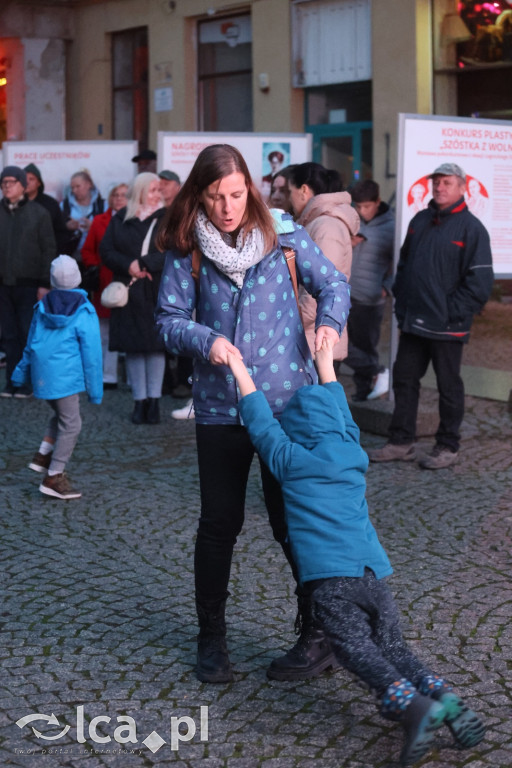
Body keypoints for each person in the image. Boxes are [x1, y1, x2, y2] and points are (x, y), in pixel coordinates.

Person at [226, 336, 486, 767]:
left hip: (332, 581)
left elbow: (259, 422)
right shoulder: (351, 449)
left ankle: (410, 707)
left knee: (355, 650)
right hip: (373, 574)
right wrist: (325, 361)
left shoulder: (291, 460)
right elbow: (341, 414)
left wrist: (238, 368)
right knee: (394, 646)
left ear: (296, 432)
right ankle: (445, 698)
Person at [155, 143, 351, 684]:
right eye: (216, 196)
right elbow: (168, 318)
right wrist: (205, 338)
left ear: (252, 190)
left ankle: (318, 633)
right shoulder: (185, 247)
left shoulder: (285, 235)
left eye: (237, 194)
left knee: (294, 524)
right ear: (200, 194)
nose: (227, 207)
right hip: (221, 407)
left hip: (286, 406)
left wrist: (329, 323)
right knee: (219, 525)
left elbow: (333, 282)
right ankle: (211, 640)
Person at [368, 163, 494, 470]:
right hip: (414, 321)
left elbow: (479, 284)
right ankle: (401, 442)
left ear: (462, 187)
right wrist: (401, 302)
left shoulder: (472, 229)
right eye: (436, 182)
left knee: (449, 386)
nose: (439, 188)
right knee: (405, 380)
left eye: (447, 182)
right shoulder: (420, 220)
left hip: (447, 326)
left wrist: (451, 313)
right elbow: (405, 264)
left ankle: (448, 446)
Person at [11, 255, 102, 500]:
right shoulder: (84, 310)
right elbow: (92, 354)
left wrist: (19, 373)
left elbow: (30, 344)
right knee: (72, 424)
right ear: (78, 278)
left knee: (61, 415)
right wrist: (95, 390)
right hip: (65, 378)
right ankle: (54, 475)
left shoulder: (42, 307)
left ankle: (43, 455)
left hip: (43, 377)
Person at [100, 172, 166, 424]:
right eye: (152, 190)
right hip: (128, 291)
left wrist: (144, 263)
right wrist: (129, 265)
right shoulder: (120, 218)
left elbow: (175, 249)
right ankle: (140, 401)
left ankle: (155, 402)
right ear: (139, 191)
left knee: (156, 348)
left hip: (155, 290)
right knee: (134, 349)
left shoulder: (166, 218)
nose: (157, 194)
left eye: (159, 189)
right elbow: (106, 251)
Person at [287, 162, 359, 365]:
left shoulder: (326, 226)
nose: (289, 198)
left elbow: (320, 292)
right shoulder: (316, 222)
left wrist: (286, 326)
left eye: (290, 190)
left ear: (303, 190)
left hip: (316, 343)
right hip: (311, 339)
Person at [0, 165, 56, 398]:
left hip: (29, 284)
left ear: (23, 185)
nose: (6, 186)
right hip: (4, 283)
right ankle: (11, 380)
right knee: (9, 335)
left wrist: (44, 282)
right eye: (3, 183)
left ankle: (27, 382)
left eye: (11, 182)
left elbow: (48, 249)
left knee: (28, 334)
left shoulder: (39, 213)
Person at [345, 179, 395, 401]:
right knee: (343, 344)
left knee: (365, 347)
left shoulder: (392, 225)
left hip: (370, 299)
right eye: (358, 206)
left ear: (378, 202)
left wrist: (386, 287)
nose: (362, 211)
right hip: (346, 293)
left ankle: (366, 392)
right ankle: (374, 378)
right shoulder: (352, 221)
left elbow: (401, 261)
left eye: (367, 206)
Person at [81, 183, 129, 389]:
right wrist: (96, 267)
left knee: (129, 331)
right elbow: (87, 250)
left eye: (123, 195)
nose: (118, 198)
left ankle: (132, 378)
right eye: (115, 195)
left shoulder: (135, 220)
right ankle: (108, 375)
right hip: (104, 282)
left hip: (129, 281)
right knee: (104, 332)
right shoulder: (99, 221)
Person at [24, 163, 70, 256]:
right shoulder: (14, 203)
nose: (27, 182)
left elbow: (61, 233)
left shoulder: (50, 204)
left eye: (31, 179)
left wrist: (52, 255)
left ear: (39, 183)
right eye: (24, 179)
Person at [61, 170, 105, 256]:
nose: (74, 190)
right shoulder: (64, 205)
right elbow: (56, 229)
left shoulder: (103, 205)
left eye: (78, 186)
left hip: (97, 254)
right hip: (71, 254)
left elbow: (111, 230)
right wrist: (66, 226)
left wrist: (94, 227)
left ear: (89, 184)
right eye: (72, 187)